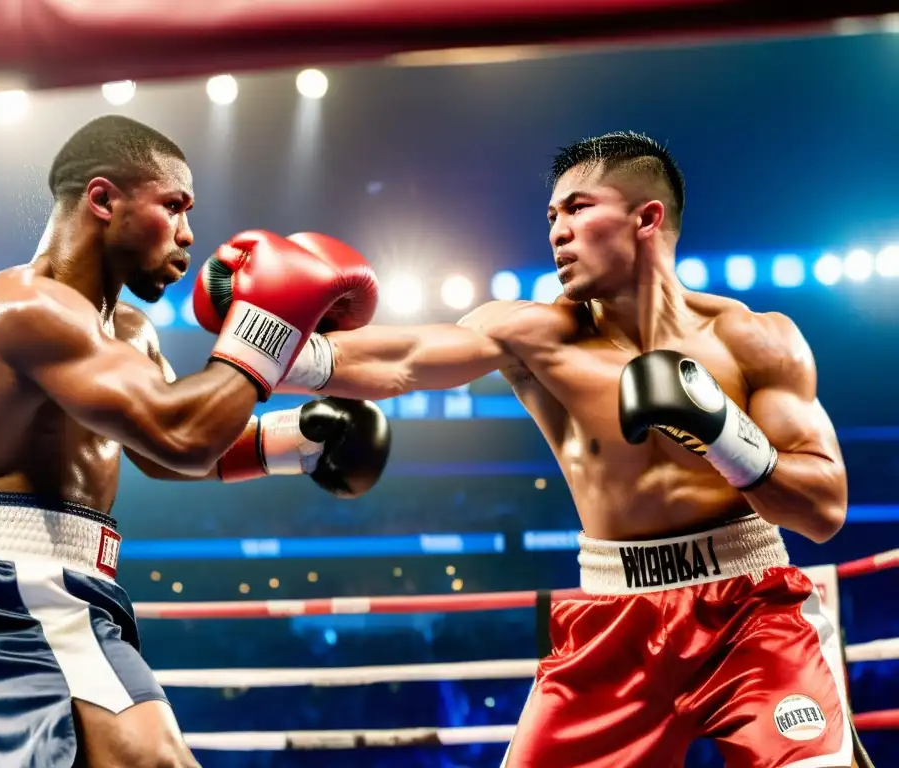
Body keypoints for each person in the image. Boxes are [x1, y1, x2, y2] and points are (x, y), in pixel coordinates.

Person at [280, 132, 863, 766]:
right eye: (551, 216)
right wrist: (263, 337)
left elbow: (824, 511)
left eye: (579, 208)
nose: (557, 230)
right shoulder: (536, 334)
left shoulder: (756, 339)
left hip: (750, 609)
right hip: (612, 620)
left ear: (647, 217)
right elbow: (400, 360)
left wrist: (724, 431)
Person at [0, 115, 390, 768]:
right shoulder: (23, 305)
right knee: (155, 760)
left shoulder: (128, 330)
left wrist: (297, 440)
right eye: (174, 206)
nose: (190, 236)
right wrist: (267, 328)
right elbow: (180, 433)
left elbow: (167, 455)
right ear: (103, 200)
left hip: (59, 581)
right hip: (10, 581)